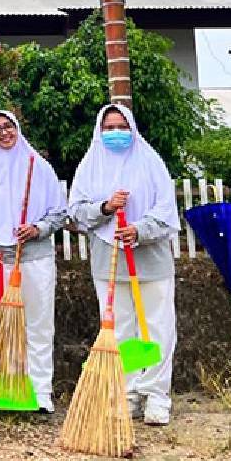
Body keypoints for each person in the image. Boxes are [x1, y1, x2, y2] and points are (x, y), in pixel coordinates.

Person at [68, 103, 180, 427]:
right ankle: (130, 391)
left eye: (121, 126)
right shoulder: (90, 165)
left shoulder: (151, 163)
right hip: (109, 257)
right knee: (123, 329)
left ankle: (157, 395)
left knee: (158, 326)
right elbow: (75, 212)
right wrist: (105, 207)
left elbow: (165, 209)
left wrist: (140, 229)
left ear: (131, 128)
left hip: (150, 257)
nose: (115, 133)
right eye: (108, 127)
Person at [0, 110, 67, 413]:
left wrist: (38, 228)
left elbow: (59, 211)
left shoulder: (38, 167)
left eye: (8, 126)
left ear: (17, 128)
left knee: (38, 324)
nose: (3, 133)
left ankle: (40, 391)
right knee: (8, 326)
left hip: (34, 256)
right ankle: (14, 388)